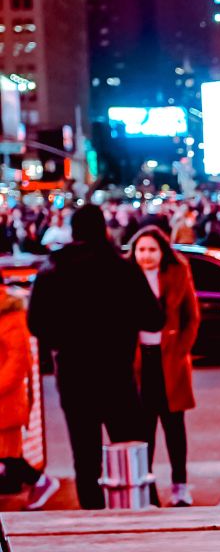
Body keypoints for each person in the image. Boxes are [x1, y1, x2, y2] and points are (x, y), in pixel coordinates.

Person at [27, 205, 164, 509]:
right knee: (130, 448)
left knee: (85, 458)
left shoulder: (53, 268)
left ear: (73, 231)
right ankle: (140, 513)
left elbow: (36, 323)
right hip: (117, 374)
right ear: (103, 229)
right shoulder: (122, 268)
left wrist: (62, 341)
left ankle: (93, 522)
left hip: (74, 375)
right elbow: (154, 319)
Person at [129, 227, 201, 507]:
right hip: (139, 362)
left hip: (171, 359)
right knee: (143, 429)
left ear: (162, 252)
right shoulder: (127, 277)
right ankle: (146, 488)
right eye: (141, 250)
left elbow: (191, 317)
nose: (146, 256)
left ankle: (180, 485)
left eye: (152, 250)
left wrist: (181, 349)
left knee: (174, 427)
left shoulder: (178, 273)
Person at [0, 285, 60, 510]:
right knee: (7, 455)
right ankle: (41, 482)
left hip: (5, 401)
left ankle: (41, 481)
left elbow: (18, 361)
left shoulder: (11, 315)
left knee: (8, 454)